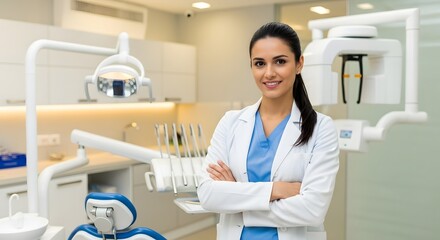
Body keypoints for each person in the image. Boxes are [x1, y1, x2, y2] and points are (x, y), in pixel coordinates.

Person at [197, 22, 339, 240]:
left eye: (280, 62)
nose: (269, 73)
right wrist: (278, 190)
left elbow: (313, 209)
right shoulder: (231, 122)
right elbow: (208, 195)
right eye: (260, 63)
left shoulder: (322, 128)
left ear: (299, 64)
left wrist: (236, 196)